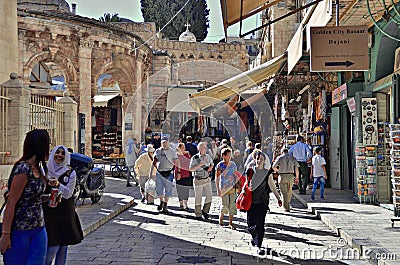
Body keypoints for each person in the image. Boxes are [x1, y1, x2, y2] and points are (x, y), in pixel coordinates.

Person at [0, 129, 50, 264]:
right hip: (19, 231)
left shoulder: (38, 168)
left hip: (39, 228)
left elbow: (32, 197)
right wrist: (5, 235)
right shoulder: (24, 169)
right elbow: (11, 202)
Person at [44, 145, 84, 265]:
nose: (60, 155)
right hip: (49, 213)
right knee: (52, 247)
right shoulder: (45, 169)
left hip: (64, 213)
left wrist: (57, 185)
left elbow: (68, 193)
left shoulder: (70, 172)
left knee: (63, 247)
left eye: (63, 153)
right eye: (57, 152)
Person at [246, 151, 282, 256]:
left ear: (264, 161)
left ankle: (259, 245)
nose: (259, 160)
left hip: (262, 201)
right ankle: (254, 237)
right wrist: (247, 188)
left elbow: (272, 186)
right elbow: (244, 184)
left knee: (260, 224)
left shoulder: (267, 173)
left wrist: (278, 198)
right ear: (255, 159)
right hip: (251, 202)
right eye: (258, 158)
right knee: (250, 224)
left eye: (261, 159)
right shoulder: (250, 171)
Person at [151, 136, 180, 213]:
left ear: (168, 143)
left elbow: (177, 162)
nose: (164, 144)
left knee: (168, 190)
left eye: (166, 142)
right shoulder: (158, 151)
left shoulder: (172, 151)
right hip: (159, 173)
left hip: (169, 172)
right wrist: (152, 172)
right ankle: (161, 202)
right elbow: (154, 161)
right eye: (163, 142)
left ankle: (166, 204)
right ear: (161, 143)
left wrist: (178, 172)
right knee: (159, 189)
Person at [189, 142, 214, 220]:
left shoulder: (208, 156)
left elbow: (212, 164)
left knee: (209, 196)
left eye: (205, 147)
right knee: (198, 197)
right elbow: (190, 169)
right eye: (203, 147)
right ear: (199, 149)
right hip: (198, 179)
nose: (205, 149)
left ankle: (205, 211)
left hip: (207, 179)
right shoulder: (195, 158)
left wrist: (209, 168)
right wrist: (199, 165)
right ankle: (198, 214)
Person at [215, 148, 238, 229]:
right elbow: (217, 178)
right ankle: (221, 217)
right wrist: (218, 189)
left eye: (230, 155)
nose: (230, 157)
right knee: (225, 205)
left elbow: (236, 175)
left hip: (232, 187)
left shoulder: (233, 164)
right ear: (223, 156)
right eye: (228, 155)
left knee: (232, 205)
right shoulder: (220, 165)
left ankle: (230, 223)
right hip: (224, 188)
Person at [272, 147, 300, 212]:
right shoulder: (293, 158)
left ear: (282, 152)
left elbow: (273, 167)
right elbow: (297, 169)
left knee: (284, 192)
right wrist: (297, 177)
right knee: (289, 190)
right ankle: (287, 202)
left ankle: (286, 207)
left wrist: (278, 170)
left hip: (282, 175)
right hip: (291, 175)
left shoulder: (279, 158)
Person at [175, 143, 192, 211]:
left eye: (184, 147)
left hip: (186, 174)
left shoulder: (187, 154)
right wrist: (178, 172)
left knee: (186, 190)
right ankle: (181, 205)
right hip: (178, 174)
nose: (184, 148)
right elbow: (176, 164)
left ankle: (186, 204)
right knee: (179, 190)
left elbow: (190, 162)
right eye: (182, 147)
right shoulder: (176, 155)